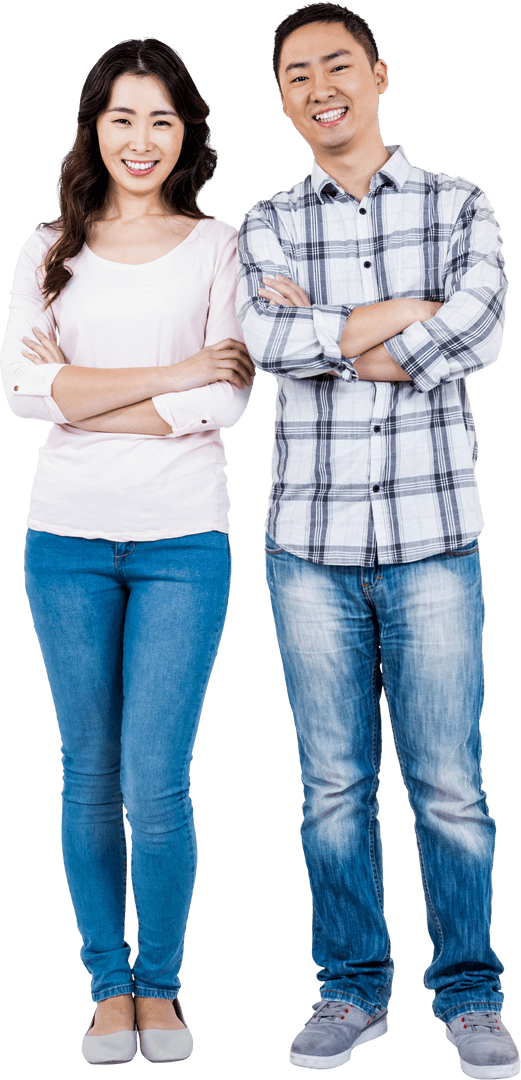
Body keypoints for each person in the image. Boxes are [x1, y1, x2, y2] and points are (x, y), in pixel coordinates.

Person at [237, 4, 519, 1077]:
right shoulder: (266, 219)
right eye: (296, 74)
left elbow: (479, 324)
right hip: (307, 546)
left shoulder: (459, 200)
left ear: (379, 74)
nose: (320, 88)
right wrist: (408, 310)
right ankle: (350, 989)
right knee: (330, 788)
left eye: (337, 65)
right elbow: (268, 338)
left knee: (449, 788)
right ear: (281, 99)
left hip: (433, 537)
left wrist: (335, 330)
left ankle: (470, 996)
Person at [1, 37, 254, 1066]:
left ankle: (162, 987)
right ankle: (108, 988)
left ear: (186, 132)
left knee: (155, 781)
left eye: (161, 119)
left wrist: (86, 392)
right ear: (93, 129)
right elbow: (23, 393)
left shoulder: (218, 247)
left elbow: (224, 399)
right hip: (64, 538)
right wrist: (168, 373)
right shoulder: (45, 249)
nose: (140, 140)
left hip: (182, 542)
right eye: (121, 119)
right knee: (87, 774)